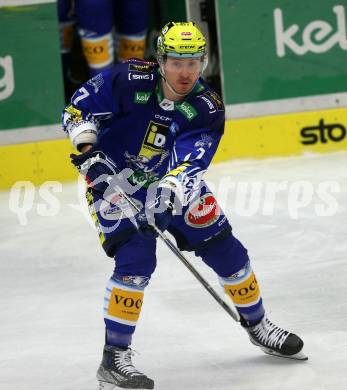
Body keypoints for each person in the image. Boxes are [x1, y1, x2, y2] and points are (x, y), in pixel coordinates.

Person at [62, 21, 307, 390]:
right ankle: (114, 359)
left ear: (203, 63)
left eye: (193, 63)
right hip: (111, 184)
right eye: (177, 62)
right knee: (136, 260)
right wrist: (88, 152)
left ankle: (258, 324)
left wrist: (172, 190)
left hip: (175, 185)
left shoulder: (207, 106)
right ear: (160, 61)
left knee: (228, 251)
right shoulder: (128, 79)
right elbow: (78, 111)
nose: (185, 72)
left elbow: (191, 160)